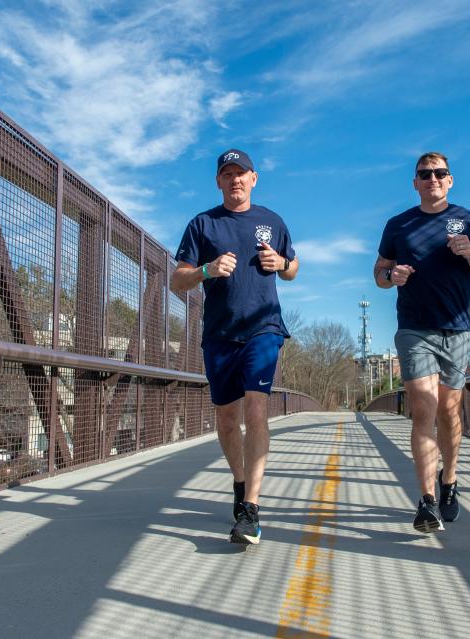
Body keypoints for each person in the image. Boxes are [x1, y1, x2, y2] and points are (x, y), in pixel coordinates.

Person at [171, 148, 299, 545]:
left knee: (256, 407)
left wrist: (282, 264)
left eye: (241, 173)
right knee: (227, 419)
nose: (235, 180)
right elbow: (178, 281)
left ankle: (252, 508)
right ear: (219, 182)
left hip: (264, 328)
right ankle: (240, 485)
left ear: (254, 178)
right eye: (227, 174)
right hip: (219, 334)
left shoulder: (271, 221)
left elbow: (294, 268)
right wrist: (206, 270)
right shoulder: (203, 224)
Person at [374, 151, 470, 533]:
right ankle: (427, 500)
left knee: (449, 411)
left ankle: (450, 481)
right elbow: (379, 273)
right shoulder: (399, 225)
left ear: (450, 180)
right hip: (414, 328)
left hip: (457, 330)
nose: (432, 179)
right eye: (424, 174)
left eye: (439, 173)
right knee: (424, 409)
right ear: (415, 182)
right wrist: (391, 275)